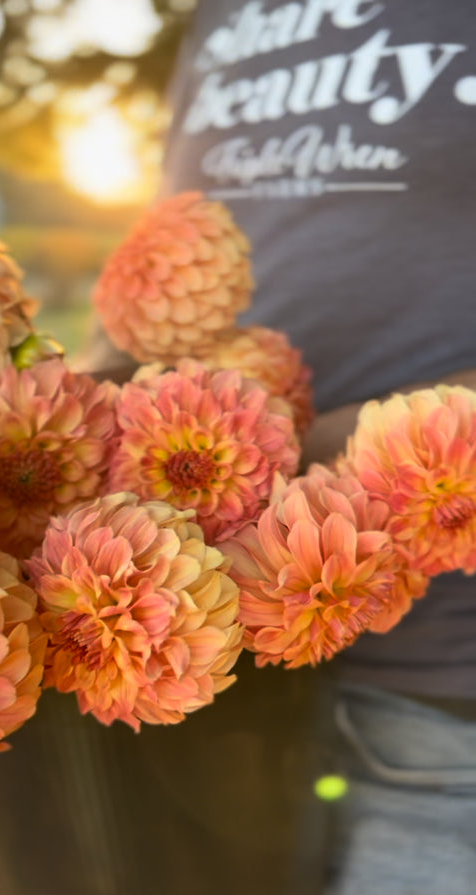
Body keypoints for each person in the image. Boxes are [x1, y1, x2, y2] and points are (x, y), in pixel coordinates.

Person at [159, 1, 476, 892]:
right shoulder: (221, 14)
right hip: (217, 705)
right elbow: (173, 270)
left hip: (444, 725)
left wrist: (290, 458)